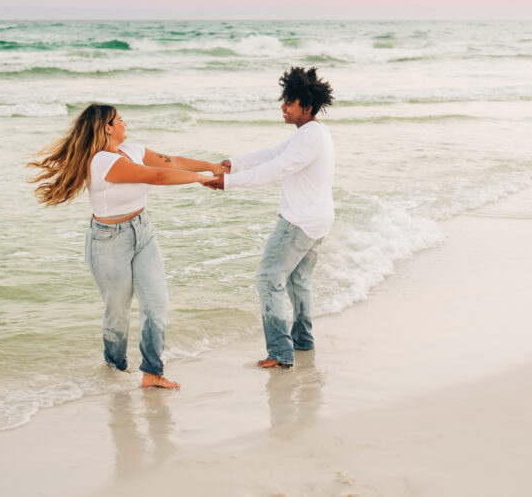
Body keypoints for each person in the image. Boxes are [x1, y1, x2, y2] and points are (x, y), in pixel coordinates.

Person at [28, 104, 223, 389]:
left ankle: (152, 373)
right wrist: (202, 179)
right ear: (108, 127)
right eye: (120, 120)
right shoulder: (102, 162)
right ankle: (115, 369)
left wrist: (212, 166)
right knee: (117, 314)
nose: (125, 123)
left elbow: (170, 162)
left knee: (156, 305)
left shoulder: (131, 150)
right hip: (108, 241)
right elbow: (155, 176)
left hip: (143, 233)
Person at [207, 67, 335, 369]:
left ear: (306, 106)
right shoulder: (313, 133)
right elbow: (271, 154)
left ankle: (280, 353)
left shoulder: (308, 139)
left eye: (289, 102)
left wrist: (228, 182)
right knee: (298, 281)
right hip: (318, 220)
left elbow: (274, 168)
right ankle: (302, 341)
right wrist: (233, 165)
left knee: (268, 278)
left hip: (299, 222)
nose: (283, 107)